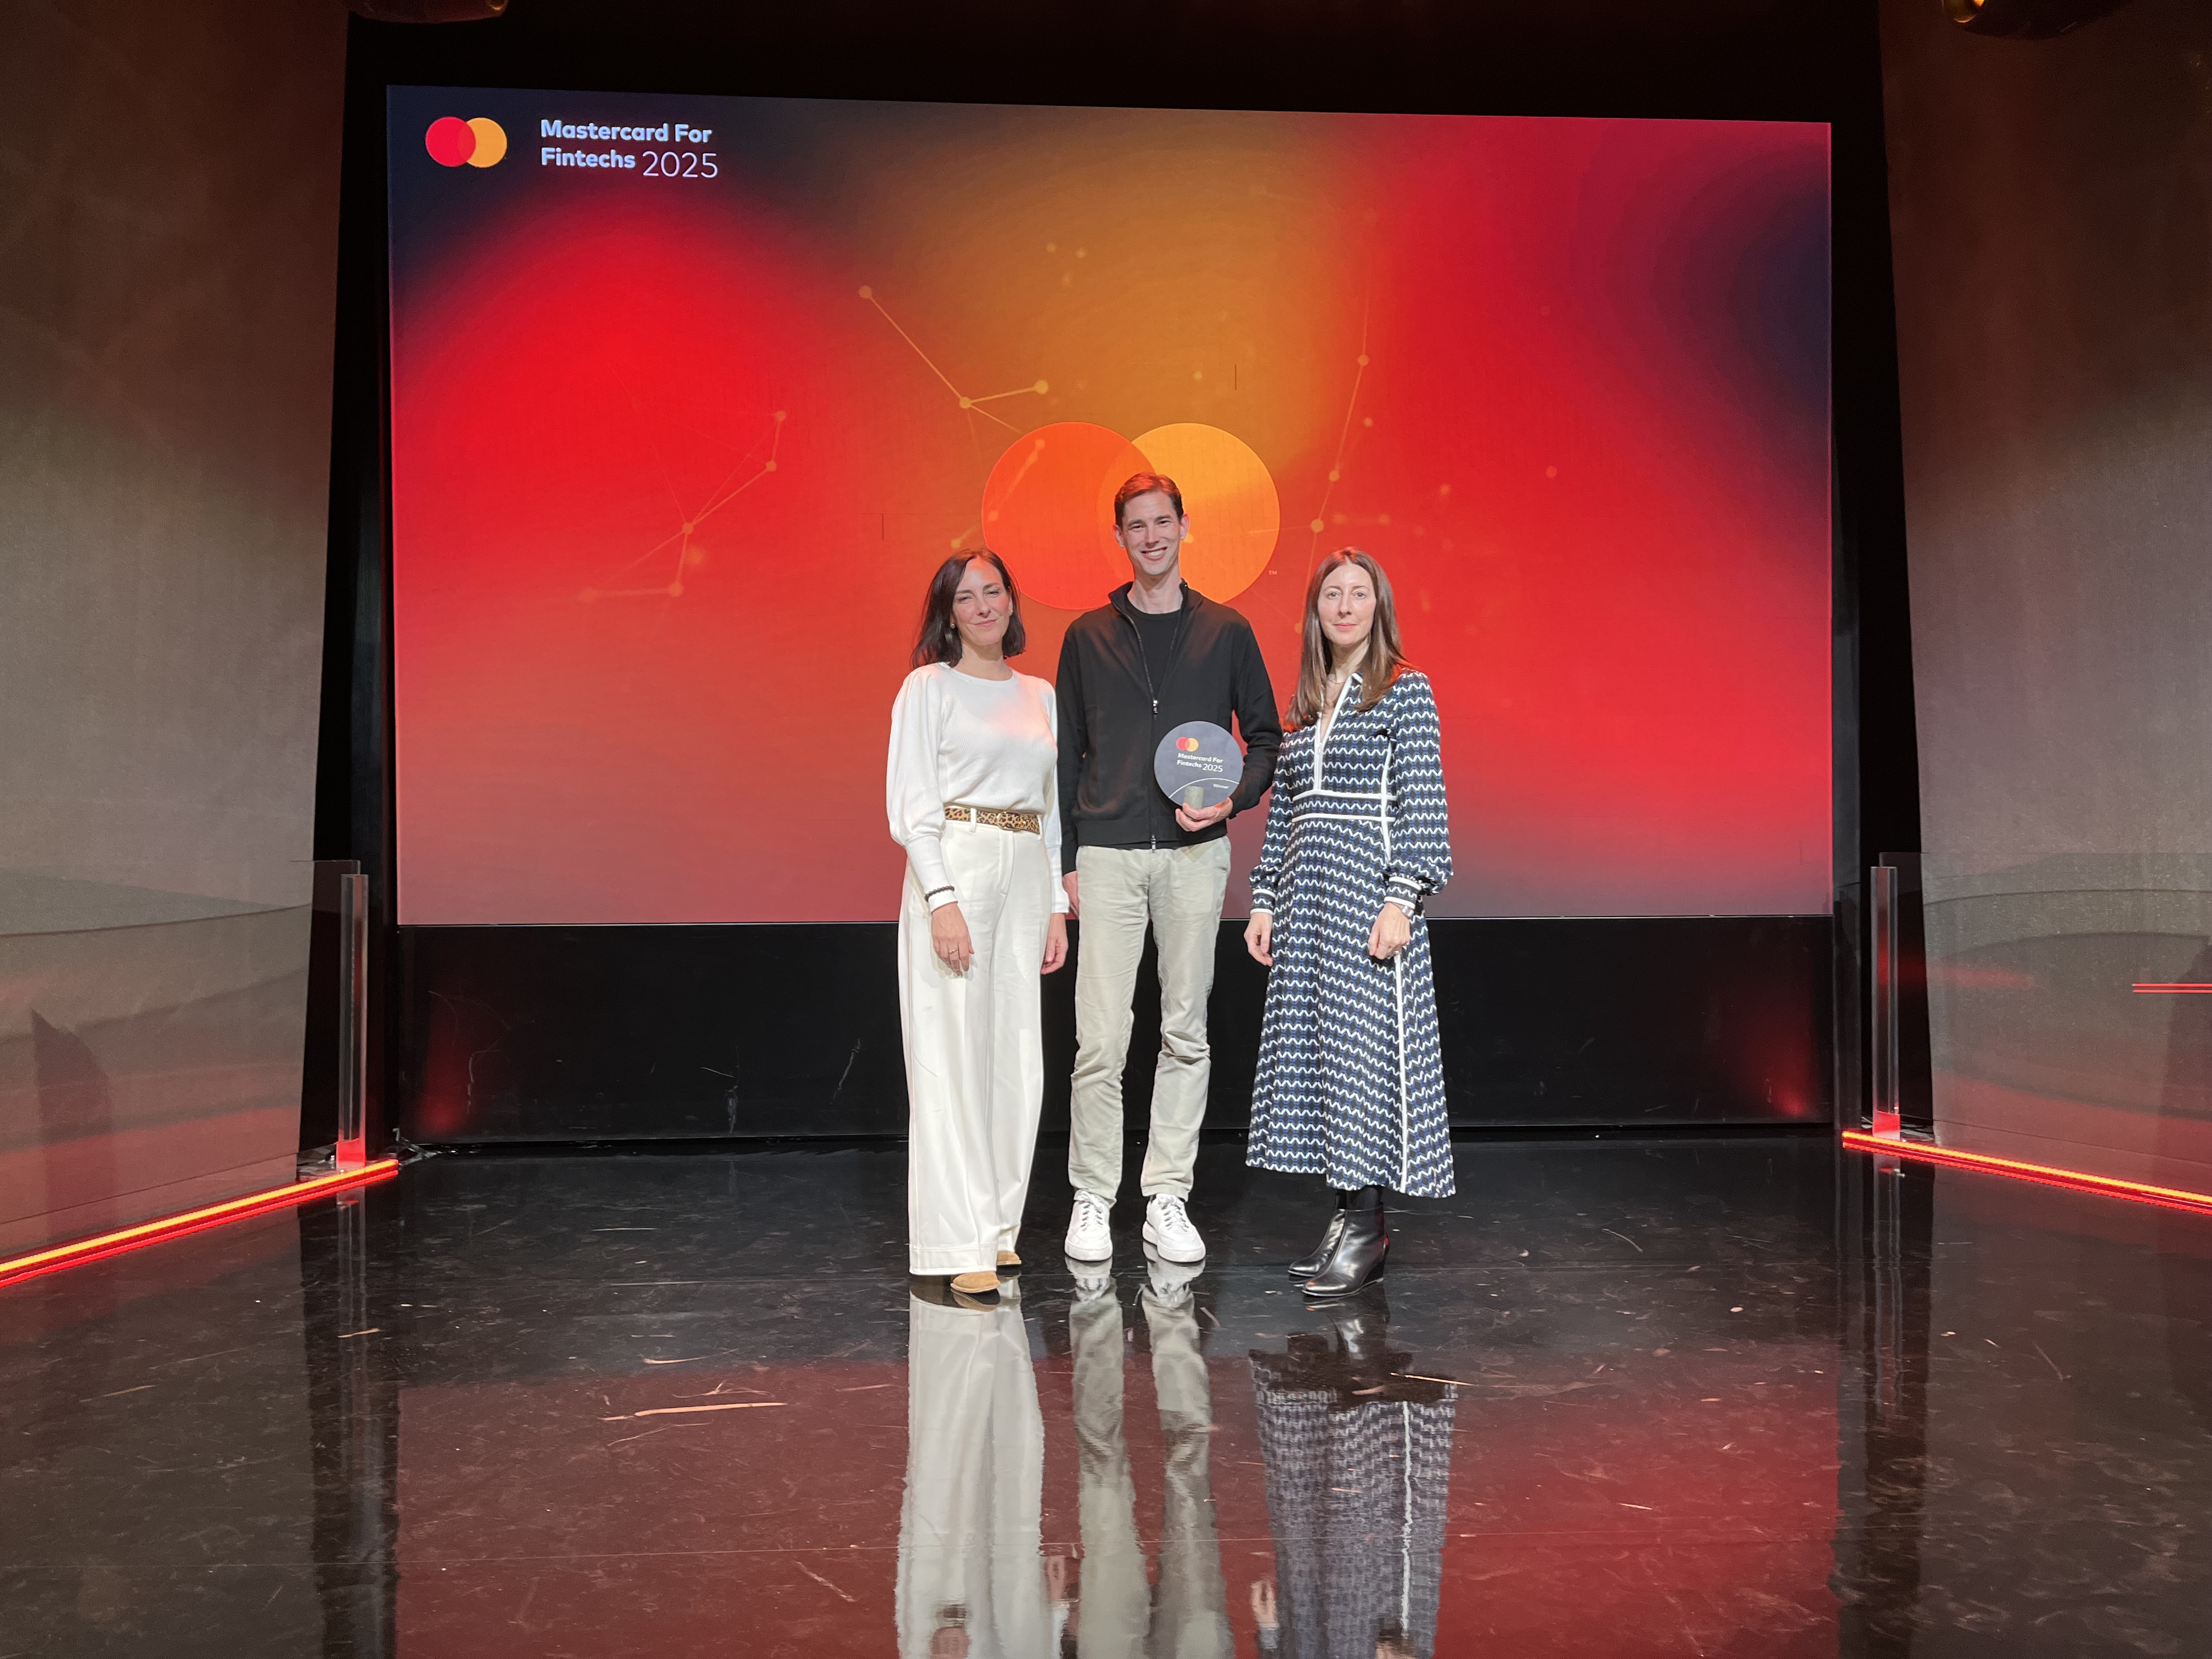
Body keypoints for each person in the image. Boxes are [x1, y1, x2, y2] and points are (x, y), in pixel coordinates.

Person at [1056, 472, 1282, 1266]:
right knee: (1101, 1040)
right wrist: (1066, 864)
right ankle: (1092, 1195)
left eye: (1163, 522)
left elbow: (1264, 740)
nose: (1151, 537)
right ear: (1119, 538)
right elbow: (1065, 753)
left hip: (1194, 858)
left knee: (1186, 1033)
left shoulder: (1227, 631)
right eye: (1135, 526)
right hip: (1108, 854)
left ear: (1185, 526)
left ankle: (1167, 1197)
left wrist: (1232, 803)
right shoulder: (1086, 636)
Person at [1243, 549, 1453, 1297]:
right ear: (1315, 610)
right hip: (1310, 904)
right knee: (1327, 1061)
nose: (1344, 606)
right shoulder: (1307, 701)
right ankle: (1345, 1217)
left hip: (1368, 901)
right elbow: (1286, 815)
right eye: (1331, 594)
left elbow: (1422, 806)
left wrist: (1401, 900)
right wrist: (1265, 897)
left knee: (1366, 1062)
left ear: (1378, 605)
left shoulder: (1404, 690)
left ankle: (1368, 1227)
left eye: (1358, 594)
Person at [888, 550, 1069, 1305]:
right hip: (957, 862)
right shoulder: (927, 688)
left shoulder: (1040, 692)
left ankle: (998, 1227)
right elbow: (912, 805)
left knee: (1015, 1056)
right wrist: (942, 899)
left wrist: (1057, 903)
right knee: (951, 1054)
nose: (984, 605)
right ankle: (956, 1239)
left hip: (1026, 867)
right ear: (949, 611)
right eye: (968, 596)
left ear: (1010, 600)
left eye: (994, 591)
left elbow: (1053, 803)